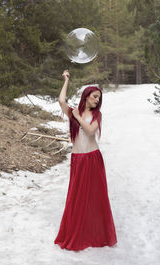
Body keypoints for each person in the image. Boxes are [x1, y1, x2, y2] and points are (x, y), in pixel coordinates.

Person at [54, 70, 117, 251]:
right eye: (95, 96)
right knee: (76, 197)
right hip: (78, 159)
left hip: (93, 158)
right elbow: (61, 101)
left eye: (99, 98)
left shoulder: (96, 115)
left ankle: (97, 235)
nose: (97, 100)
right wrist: (66, 80)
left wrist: (78, 116)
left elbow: (90, 132)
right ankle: (77, 233)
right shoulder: (74, 112)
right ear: (86, 96)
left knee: (96, 198)